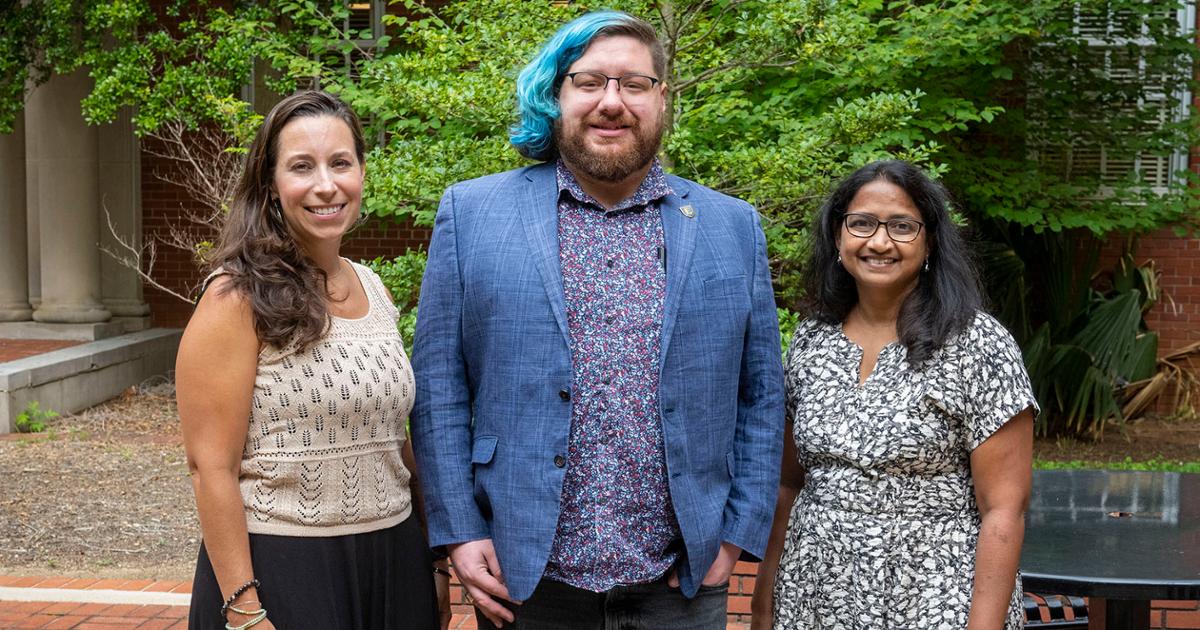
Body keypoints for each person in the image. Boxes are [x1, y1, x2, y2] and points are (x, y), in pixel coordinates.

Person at [410, 10, 785, 630]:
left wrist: (735, 536)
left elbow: (761, 394)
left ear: (662, 100)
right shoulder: (473, 215)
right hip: (525, 577)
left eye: (633, 84)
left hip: (681, 583)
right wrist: (458, 529)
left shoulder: (731, 226)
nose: (612, 102)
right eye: (590, 82)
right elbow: (441, 388)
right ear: (557, 95)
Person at [177, 91, 448, 630]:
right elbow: (212, 468)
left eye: (340, 163)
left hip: (393, 558)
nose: (326, 185)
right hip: (284, 567)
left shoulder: (373, 286)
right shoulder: (235, 298)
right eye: (302, 167)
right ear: (271, 186)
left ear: (361, 174)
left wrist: (433, 559)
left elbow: (397, 441)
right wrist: (244, 610)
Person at [751, 160, 1036, 629]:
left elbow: (1004, 510)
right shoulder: (810, 337)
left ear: (929, 241)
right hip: (813, 594)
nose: (879, 242)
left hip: (934, 594)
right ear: (838, 236)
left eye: (902, 226)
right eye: (861, 223)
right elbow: (788, 485)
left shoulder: (977, 344)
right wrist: (763, 606)